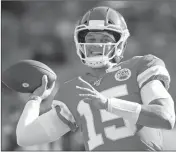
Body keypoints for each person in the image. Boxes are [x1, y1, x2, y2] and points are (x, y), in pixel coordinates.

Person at [16, 6, 175, 151]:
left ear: (120, 44)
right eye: (91, 39)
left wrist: (109, 104)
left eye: (105, 39)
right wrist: (35, 99)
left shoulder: (141, 66)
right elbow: (25, 136)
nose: (97, 45)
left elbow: (165, 117)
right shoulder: (73, 90)